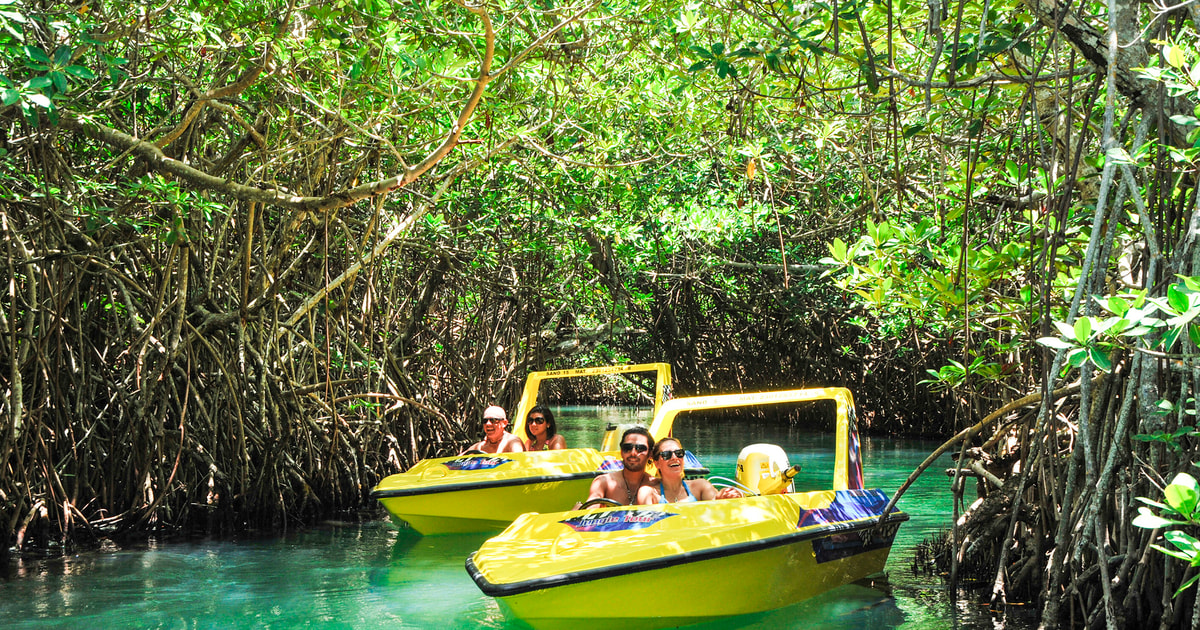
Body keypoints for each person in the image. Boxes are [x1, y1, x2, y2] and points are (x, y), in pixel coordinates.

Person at [637, 437, 743, 504]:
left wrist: (724, 497)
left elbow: (715, 504)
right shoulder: (648, 493)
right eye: (667, 455)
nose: (674, 457)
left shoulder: (701, 486)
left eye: (679, 453)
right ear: (657, 463)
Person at [579, 426, 656, 506]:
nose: (633, 453)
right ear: (621, 452)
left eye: (640, 449)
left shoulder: (656, 485)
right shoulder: (603, 482)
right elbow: (591, 509)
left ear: (650, 454)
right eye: (627, 448)